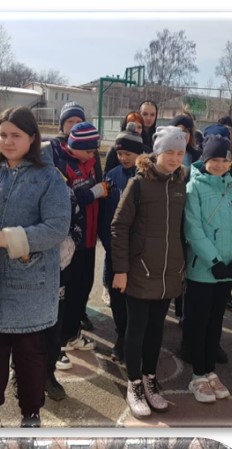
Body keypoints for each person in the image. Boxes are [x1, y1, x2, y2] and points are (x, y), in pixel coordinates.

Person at [0, 107, 71, 427]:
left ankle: (31, 412)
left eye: (16, 135)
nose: (7, 141)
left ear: (32, 138)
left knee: (30, 357)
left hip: (27, 286)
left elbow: (56, 228)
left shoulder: (48, 178)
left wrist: (4, 238)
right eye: (3, 134)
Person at [111, 127, 188, 417]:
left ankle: (150, 380)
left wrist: (183, 265)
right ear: (157, 152)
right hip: (139, 271)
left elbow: (183, 229)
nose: (174, 158)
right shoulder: (139, 184)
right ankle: (133, 384)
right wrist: (120, 269)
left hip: (169, 272)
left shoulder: (181, 182)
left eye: (179, 153)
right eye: (169, 152)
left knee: (157, 330)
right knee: (136, 330)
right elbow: (119, 226)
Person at [182, 134, 232, 403]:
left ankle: (210, 370)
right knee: (197, 322)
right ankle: (197, 375)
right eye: (214, 159)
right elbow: (193, 228)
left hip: (228, 270)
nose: (219, 165)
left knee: (215, 322)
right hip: (203, 269)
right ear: (205, 160)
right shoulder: (194, 188)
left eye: (224, 160)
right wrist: (213, 261)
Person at [47, 120, 108, 354]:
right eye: (89, 150)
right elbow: (66, 198)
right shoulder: (60, 163)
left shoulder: (90, 162)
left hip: (89, 240)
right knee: (65, 294)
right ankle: (57, 345)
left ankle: (71, 335)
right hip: (70, 242)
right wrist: (94, 192)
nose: (93, 154)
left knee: (83, 289)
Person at [99, 125, 146, 364]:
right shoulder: (112, 176)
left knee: (134, 300)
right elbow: (105, 215)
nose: (124, 158)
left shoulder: (145, 178)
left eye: (128, 153)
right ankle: (120, 338)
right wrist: (109, 244)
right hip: (114, 251)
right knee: (117, 297)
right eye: (120, 153)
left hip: (138, 254)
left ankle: (133, 340)